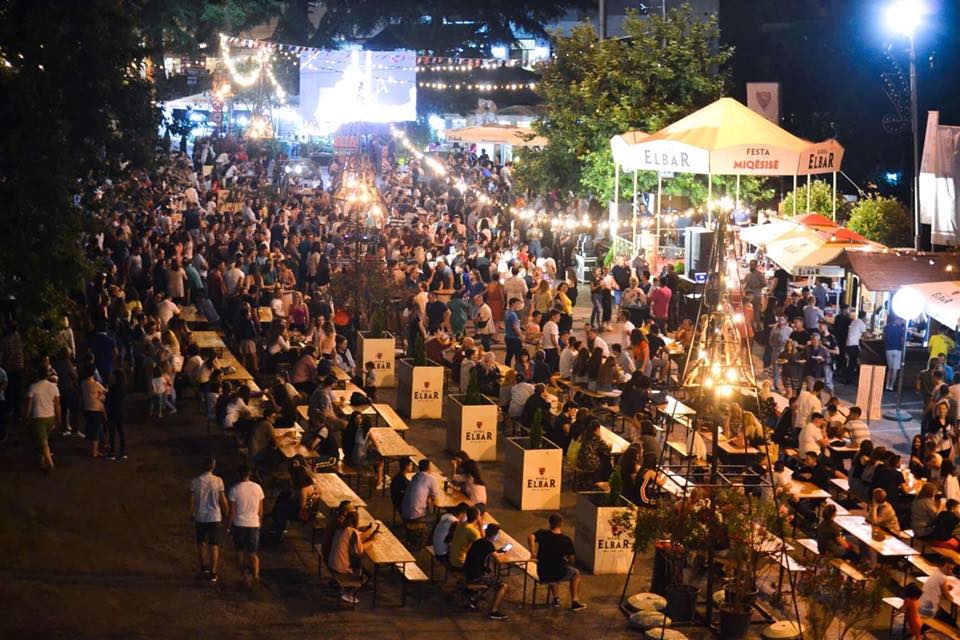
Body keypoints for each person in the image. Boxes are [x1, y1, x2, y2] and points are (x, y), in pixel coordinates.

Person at [528, 514, 587, 611]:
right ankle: (575, 601)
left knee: (552, 570)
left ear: (550, 523)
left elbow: (531, 537)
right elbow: (572, 560)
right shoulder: (566, 540)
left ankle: (556, 599)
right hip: (558, 573)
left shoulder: (543, 534)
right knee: (576, 574)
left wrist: (532, 553)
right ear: (561, 524)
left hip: (542, 573)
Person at [190, 456, 229, 583]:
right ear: (213, 466)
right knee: (214, 545)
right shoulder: (218, 481)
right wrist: (227, 511)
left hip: (200, 516)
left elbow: (192, 501)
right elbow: (222, 499)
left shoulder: (195, 482)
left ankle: (204, 568)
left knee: (201, 542)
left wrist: (192, 514)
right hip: (215, 517)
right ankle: (213, 573)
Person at [328, 509, 380, 604]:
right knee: (366, 573)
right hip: (340, 567)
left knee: (363, 568)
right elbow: (358, 550)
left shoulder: (343, 528)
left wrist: (369, 532)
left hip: (332, 562)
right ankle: (348, 592)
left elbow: (357, 540)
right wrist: (373, 540)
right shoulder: (352, 532)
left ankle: (346, 588)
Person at [462, 523, 510, 620]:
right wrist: (505, 554)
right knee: (503, 585)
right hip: (476, 575)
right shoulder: (489, 545)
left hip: (468, 571)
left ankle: (473, 598)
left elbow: (485, 552)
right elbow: (499, 560)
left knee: (491, 575)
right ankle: (494, 611)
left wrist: (496, 552)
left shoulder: (478, 541)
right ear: (494, 536)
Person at [228, 465, 265, 587]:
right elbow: (260, 510)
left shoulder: (234, 489)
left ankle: (245, 577)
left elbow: (232, 512)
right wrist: (259, 522)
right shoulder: (258, 488)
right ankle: (256, 576)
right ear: (250, 474)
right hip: (253, 524)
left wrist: (228, 526)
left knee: (240, 551)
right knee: (253, 553)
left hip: (239, 524)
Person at [25, 364, 60, 471]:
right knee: (45, 440)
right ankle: (43, 462)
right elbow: (57, 404)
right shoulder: (54, 387)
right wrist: (58, 417)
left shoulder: (33, 387)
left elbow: (29, 405)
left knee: (43, 441)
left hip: (38, 416)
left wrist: (27, 417)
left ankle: (50, 463)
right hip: (50, 416)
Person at [400, 459, 441, 549]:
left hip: (404, 512)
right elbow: (435, 496)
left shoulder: (415, 477)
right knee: (437, 518)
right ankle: (427, 542)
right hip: (416, 516)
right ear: (429, 468)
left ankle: (414, 536)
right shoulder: (431, 479)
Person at [504, 297, 524, 367]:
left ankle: (507, 369)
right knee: (518, 356)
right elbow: (514, 327)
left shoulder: (507, 312)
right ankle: (518, 370)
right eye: (517, 304)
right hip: (514, 338)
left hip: (508, 337)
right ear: (513, 304)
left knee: (509, 355)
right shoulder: (513, 314)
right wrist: (521, 336)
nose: (518, 305)